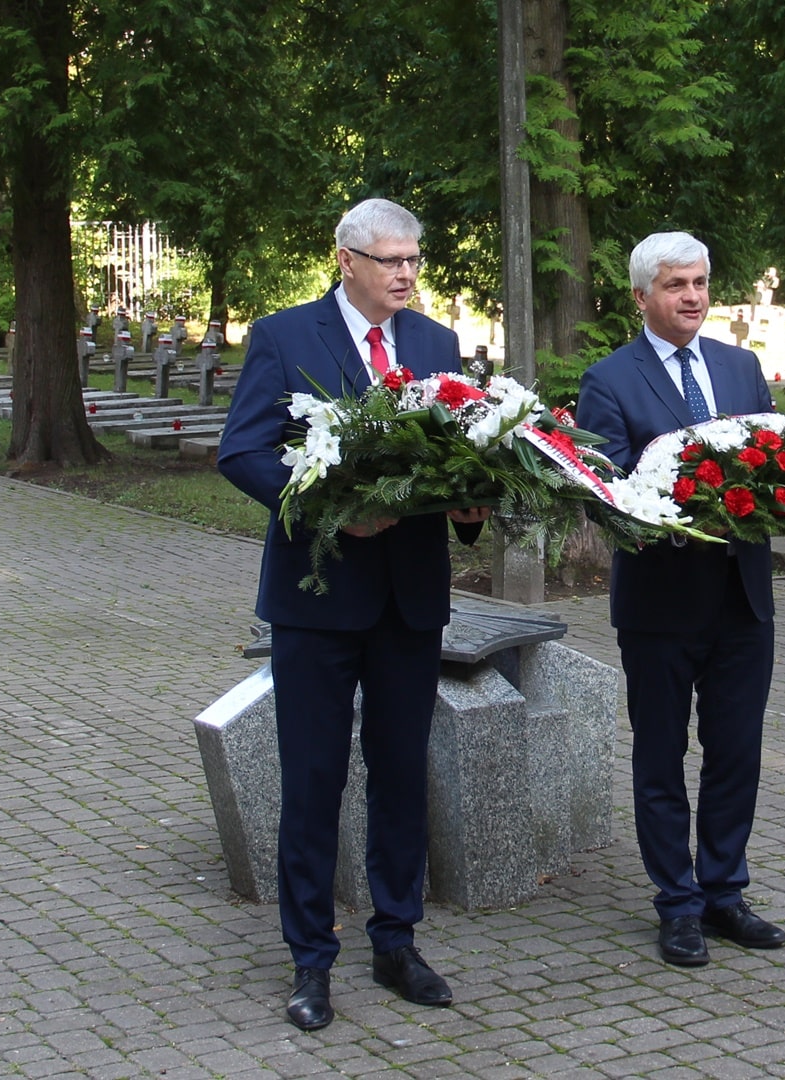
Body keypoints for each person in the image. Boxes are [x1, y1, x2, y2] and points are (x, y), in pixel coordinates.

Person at [217, 198, 488, 1031]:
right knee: (314, 780)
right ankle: (310, 960)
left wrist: (472, 503)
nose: (406, 274)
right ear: (346, 261)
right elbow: (243, 451)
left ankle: (397, 941)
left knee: (402, 774)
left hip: (410, 597)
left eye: (414, 260)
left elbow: (465, 451)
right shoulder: (286, 337)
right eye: (390, 261)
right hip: (320, 598)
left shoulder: (439, 346)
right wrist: (327, 509)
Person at [573, 231, 785, 967]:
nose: (692, 296)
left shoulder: (740, 366)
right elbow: (611, 489)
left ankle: (725, 892)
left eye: (699, 282)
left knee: (737, 754)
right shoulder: (610, 380)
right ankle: (678, 903)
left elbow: (774, 463)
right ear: (641, 297)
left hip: (741, 599)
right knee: (661, 757)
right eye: (675, 285)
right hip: (661, 603)